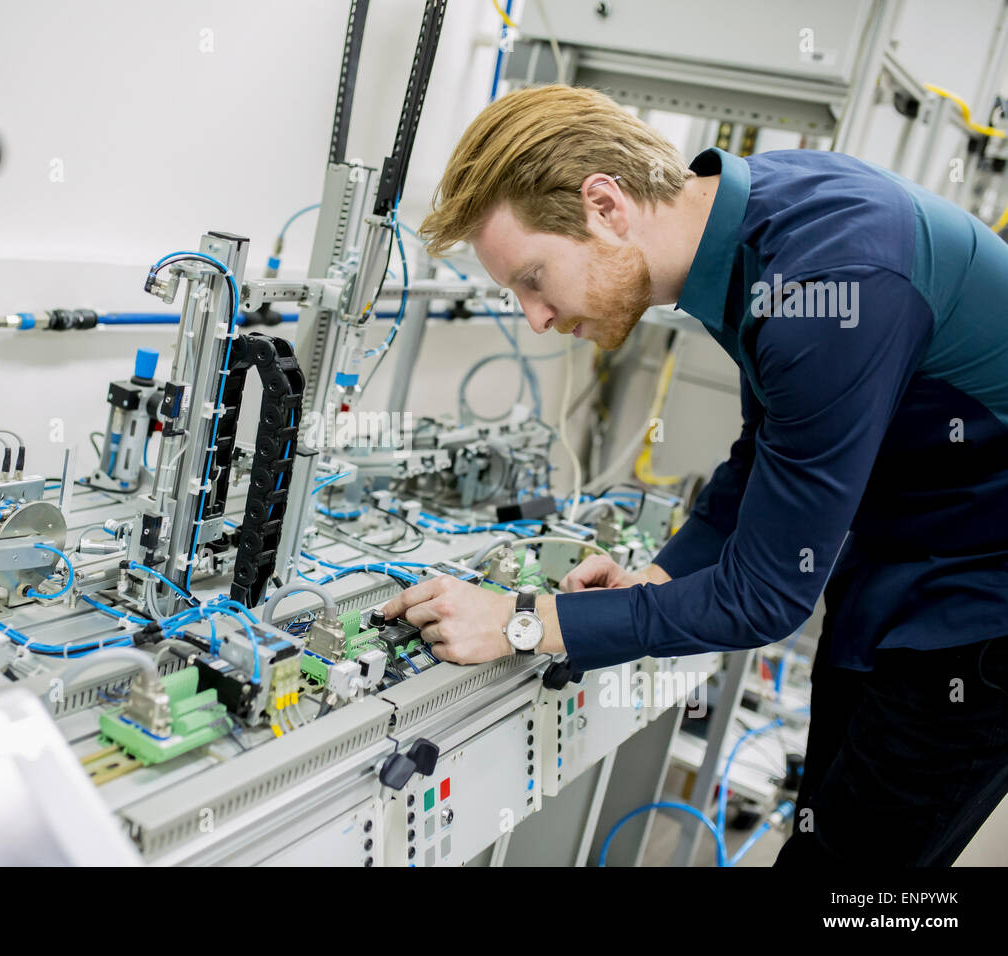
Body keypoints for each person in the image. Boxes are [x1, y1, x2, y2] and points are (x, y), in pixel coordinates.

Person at [380, 84, 1008, 866]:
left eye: (533, 280)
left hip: (980, 608)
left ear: (605, 205)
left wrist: (523, 622)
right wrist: (655, 576)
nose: (535, 318)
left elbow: (766, 599)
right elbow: (764, 453)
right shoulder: (750, 234)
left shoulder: (826, 279)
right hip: (904, 560)